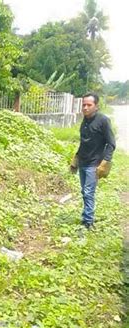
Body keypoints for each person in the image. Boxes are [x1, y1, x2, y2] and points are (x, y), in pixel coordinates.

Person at [70, 93, 116, 229]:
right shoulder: (84, 121)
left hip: (94, 164)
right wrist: (76, 159)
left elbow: (111, 143)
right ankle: (86, 216)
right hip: (83, 162)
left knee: (88, 192)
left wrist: (106, 161)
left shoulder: (103, 120)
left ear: (96, 106)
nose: (85, 108)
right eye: (83, 105)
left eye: (89, 105)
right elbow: (84, 143)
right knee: (84, 191)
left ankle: (88, 221)